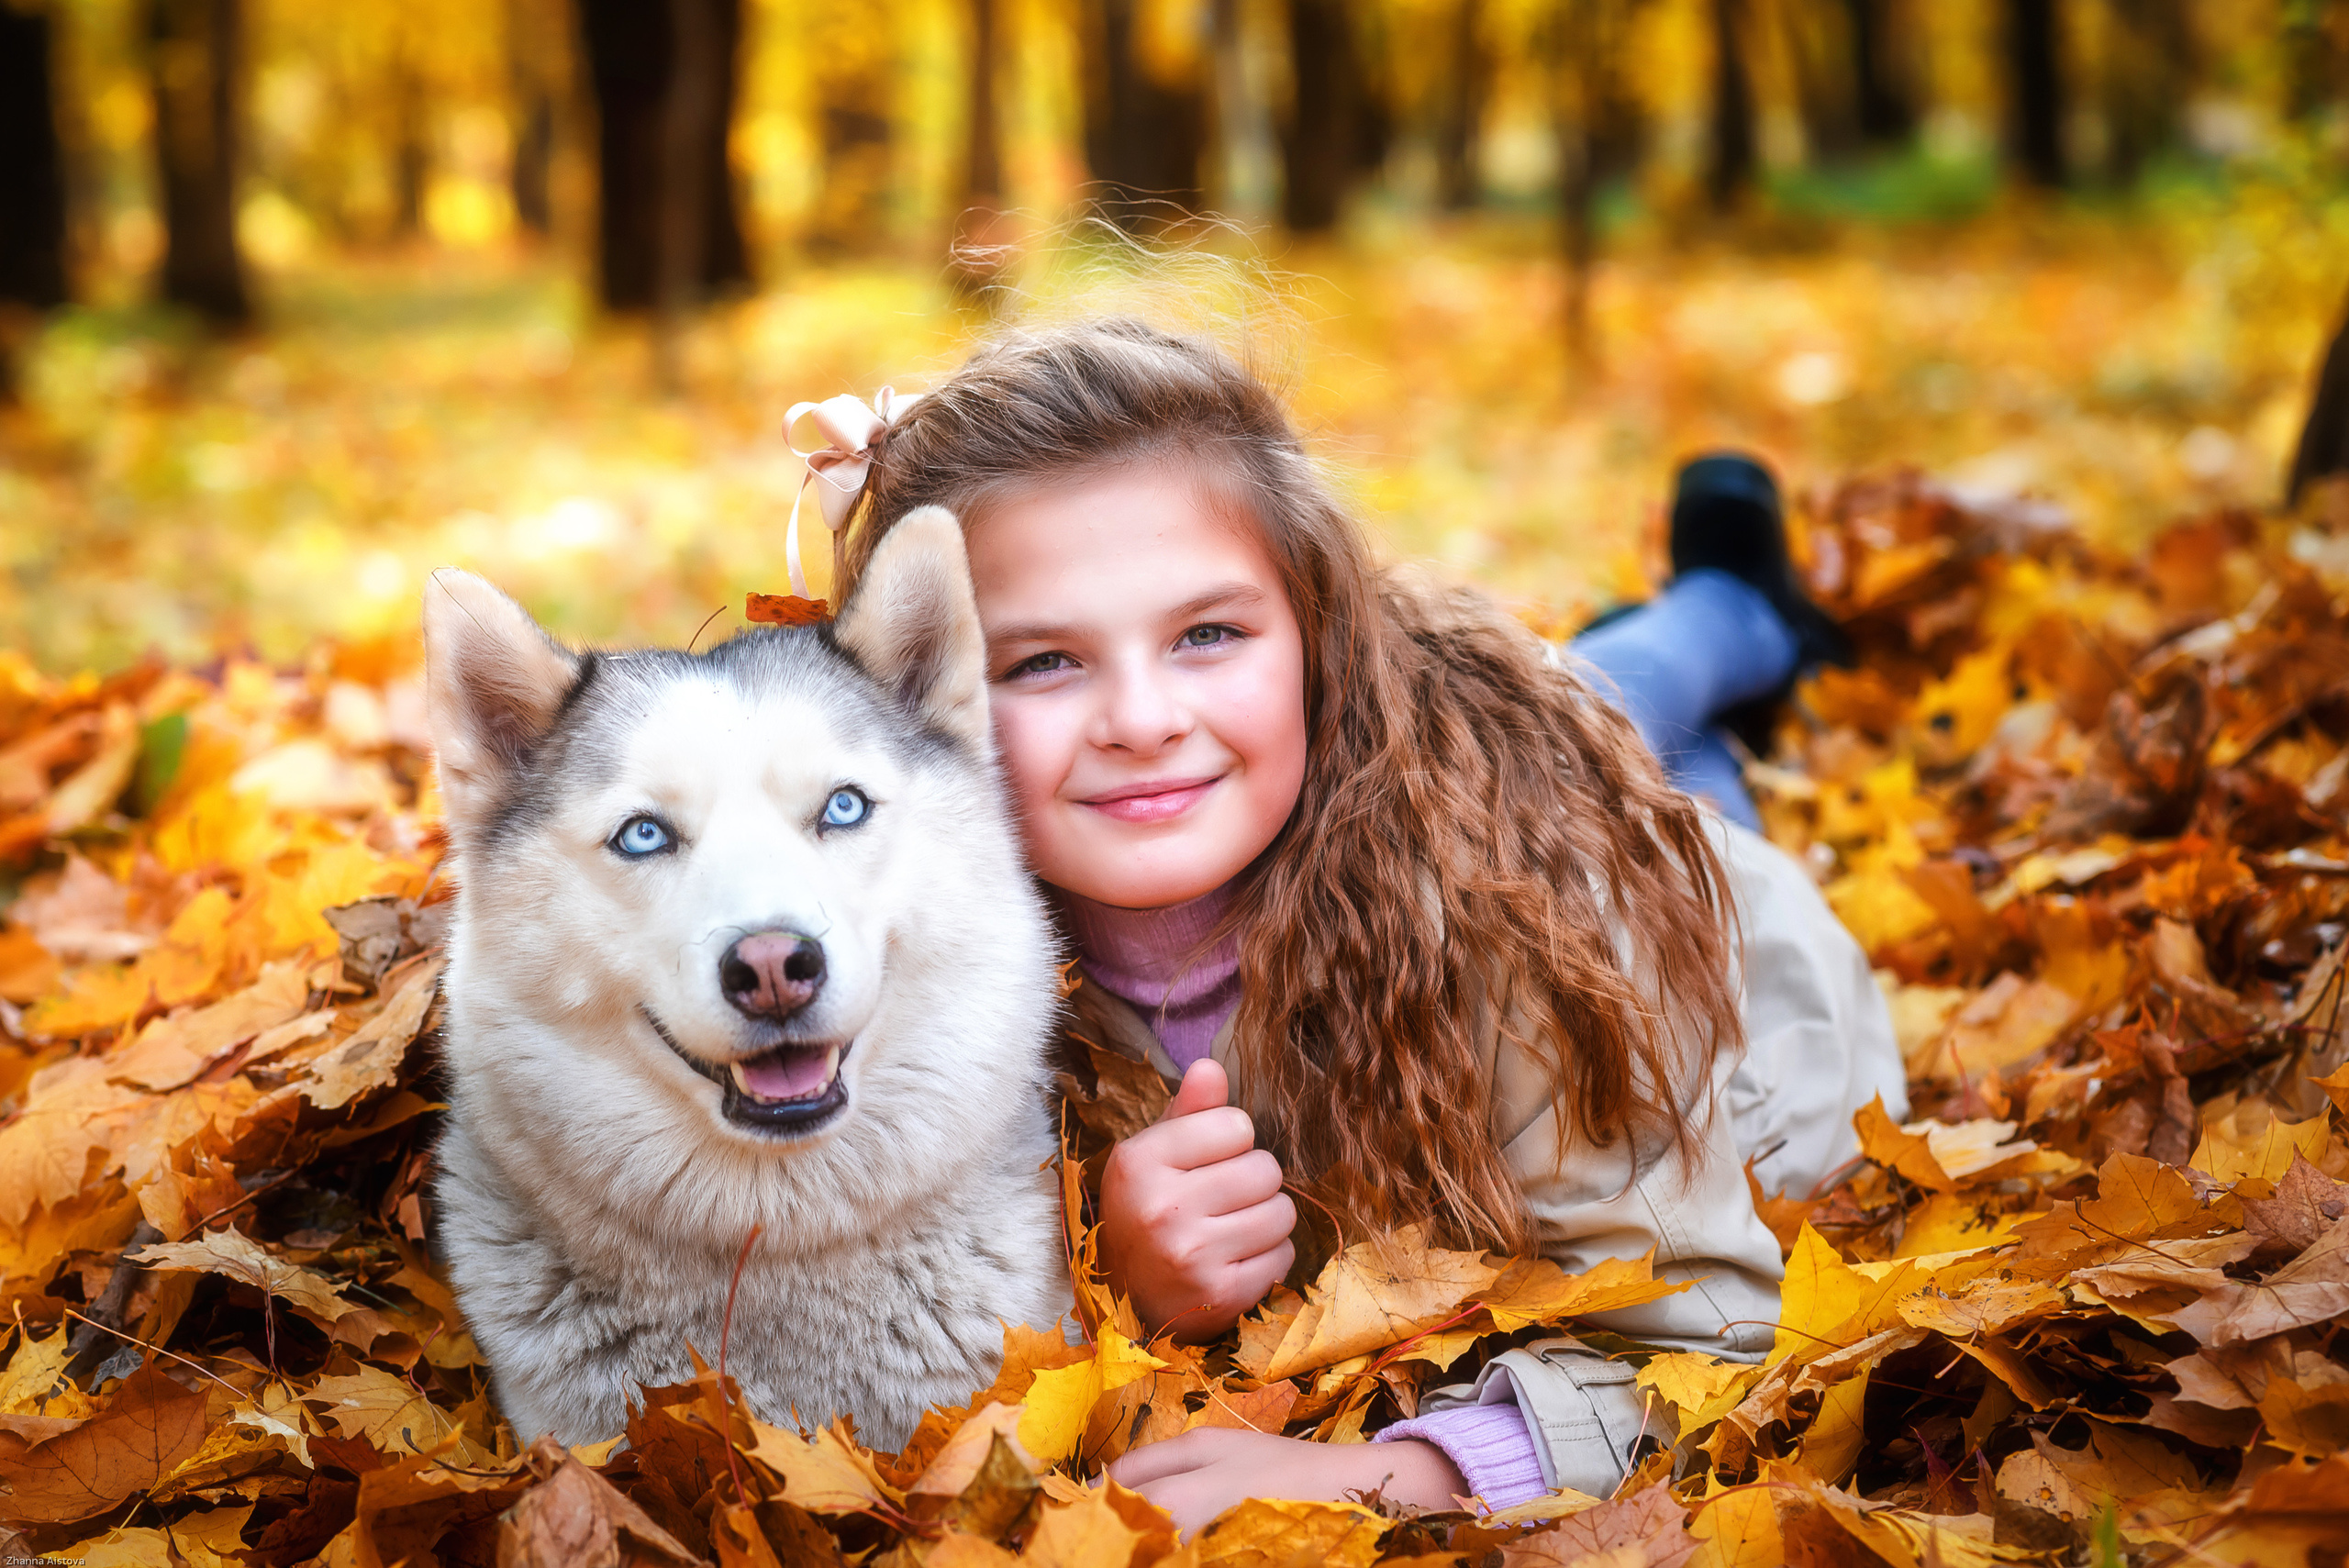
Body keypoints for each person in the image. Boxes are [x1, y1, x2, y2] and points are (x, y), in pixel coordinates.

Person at [796, 318, 1906, 1527]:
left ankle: (1735, 608)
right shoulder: (879, 957)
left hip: (1747, 988)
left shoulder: (1531, 904)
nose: (1142, 719)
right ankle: (1724, 608)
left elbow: (1708, 1336)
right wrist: (1113, 1271)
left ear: (1321, 635)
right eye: (1044, 662)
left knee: (1637, 749)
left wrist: (1382, 1477)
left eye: (1206, 634)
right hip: (1463, 773)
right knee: (1607, 693)